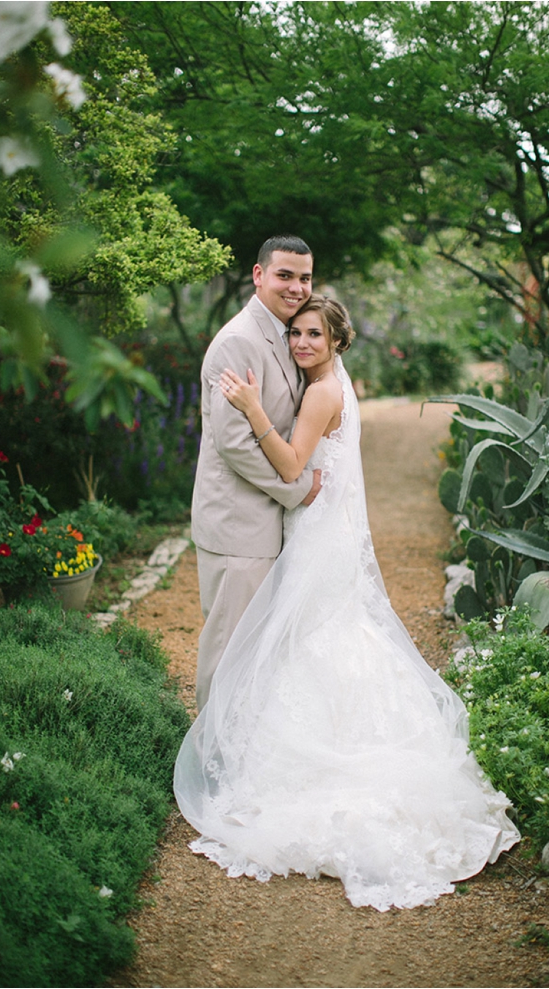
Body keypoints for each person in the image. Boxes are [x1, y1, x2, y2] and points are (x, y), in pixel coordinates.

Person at [174, 295, 519, 912]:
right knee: (325, 638)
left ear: (336, 342)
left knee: (312, 640)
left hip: (316, 535)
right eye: (297, 332)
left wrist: (253, 409)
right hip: (323, 533)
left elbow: (290, 462)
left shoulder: (321, 392)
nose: (302, 342)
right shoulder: (332, 383)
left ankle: (278, 760)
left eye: (315, 335)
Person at [191, 235, 321, 711]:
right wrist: (299, 489)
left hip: (264, 525)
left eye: (304, 277)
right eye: (285, 275)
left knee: (256, 654)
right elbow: (233, 443)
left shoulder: (291, 333)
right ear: (259, 274)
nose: (296, 287)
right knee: (229, 650)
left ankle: (243, 754)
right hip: (236, 524)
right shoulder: (238, 342)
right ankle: (210, 766)